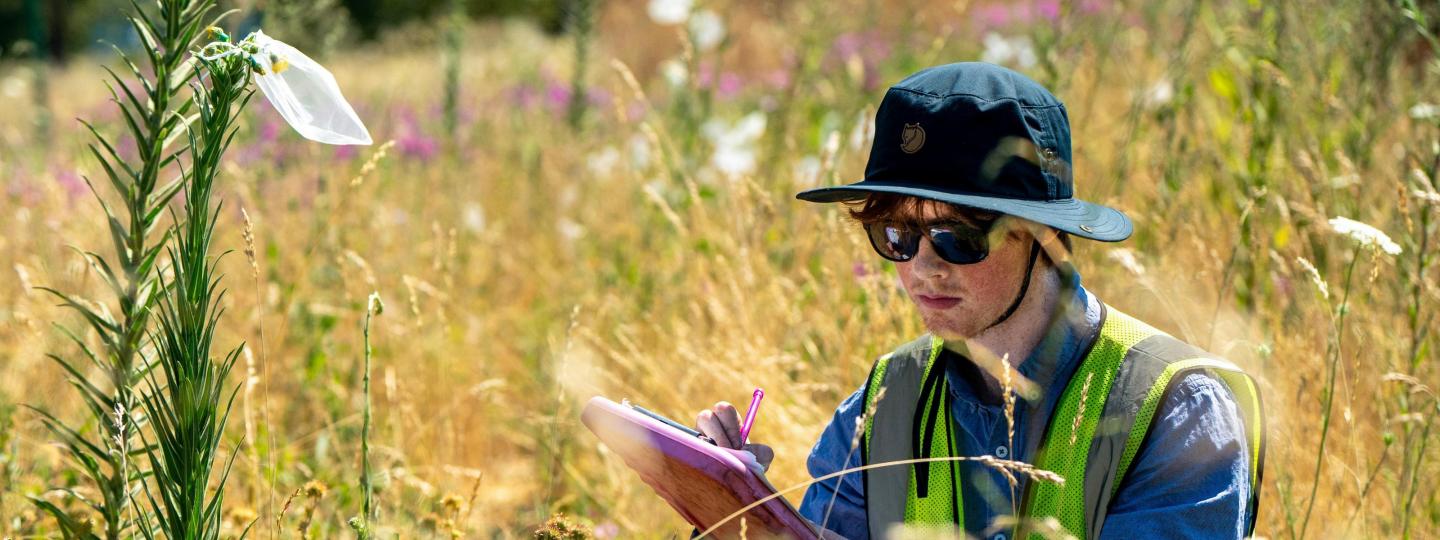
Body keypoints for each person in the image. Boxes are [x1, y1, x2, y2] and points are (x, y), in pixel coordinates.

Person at [695, 62, 1264, 539]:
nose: (922, 267)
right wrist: (744, 516)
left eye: (957, 235)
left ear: (1041, 236)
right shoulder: (884, 403)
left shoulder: (1178, 409)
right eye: (896, 234)